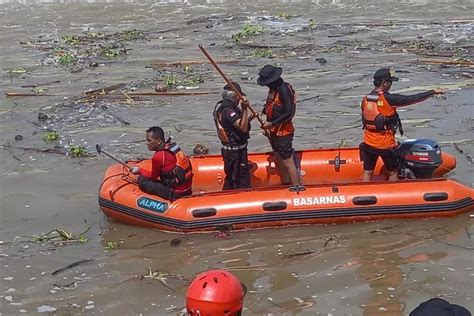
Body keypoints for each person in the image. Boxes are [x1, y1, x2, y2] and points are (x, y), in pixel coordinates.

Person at [360, 68, 446, 182]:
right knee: (393, 172)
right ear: (384, 83)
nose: (391, 85)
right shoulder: (389, 98)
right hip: (385, 144)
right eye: (390, 82)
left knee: (367, 172)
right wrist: (432, 92)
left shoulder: (365, 99)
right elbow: (411, 99)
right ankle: (393, 195)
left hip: (368, 142)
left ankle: (366, 194)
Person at [257, 64, 299, 185]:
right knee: (279, 157)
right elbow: (272, 107)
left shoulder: (284, 90)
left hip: (283, 131)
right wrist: (264, 114)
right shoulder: (273, 90)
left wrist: (272, 124)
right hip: (274, 130)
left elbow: (288, 112)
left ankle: (296, 188)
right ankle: (285, 183)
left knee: (287, 160)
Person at [130, 126, 193, 200]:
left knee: (142, 181)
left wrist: (139, 171)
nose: (147, 143)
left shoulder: (158, 156)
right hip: (188, 190)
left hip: (175, 193)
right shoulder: (172, 147)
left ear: (159, 141)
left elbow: (153, 178)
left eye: (149, 140)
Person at [214, 82, 253, 190]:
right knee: (239, 179)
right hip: (234, 153)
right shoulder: (227, 111)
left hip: (235, 151)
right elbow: (242, 127)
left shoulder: (225, 109)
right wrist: (244, 108)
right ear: (236, 96)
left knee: (232, 179)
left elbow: (236, 125)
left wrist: (250, 117)